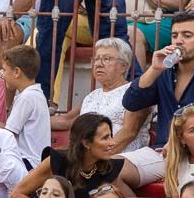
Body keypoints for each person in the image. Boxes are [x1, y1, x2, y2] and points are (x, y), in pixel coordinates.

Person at [122, 11, 194, 144]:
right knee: (120, 163)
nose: (179, 41)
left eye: (187, 35)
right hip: (160, 150)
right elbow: (131, 103)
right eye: (175, 36)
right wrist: (153, 69)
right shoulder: (163, 71)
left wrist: (175, 148)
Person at [13, 114, 132, 198]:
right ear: (86, 143)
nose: (112, 143)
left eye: (111, 136)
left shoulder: (110, 169)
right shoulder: (57, 162)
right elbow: (17, 194)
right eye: (105, 138)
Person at [54, 40, 152, 171]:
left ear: (124, 66)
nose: (99, 64)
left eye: (107, 59)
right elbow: (68, 121)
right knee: (50, 160)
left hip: (120, 158)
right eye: (96, 59)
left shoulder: (134, 92)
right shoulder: (91, 96)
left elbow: (129, 132)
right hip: (86, 157)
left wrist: (92, 158)